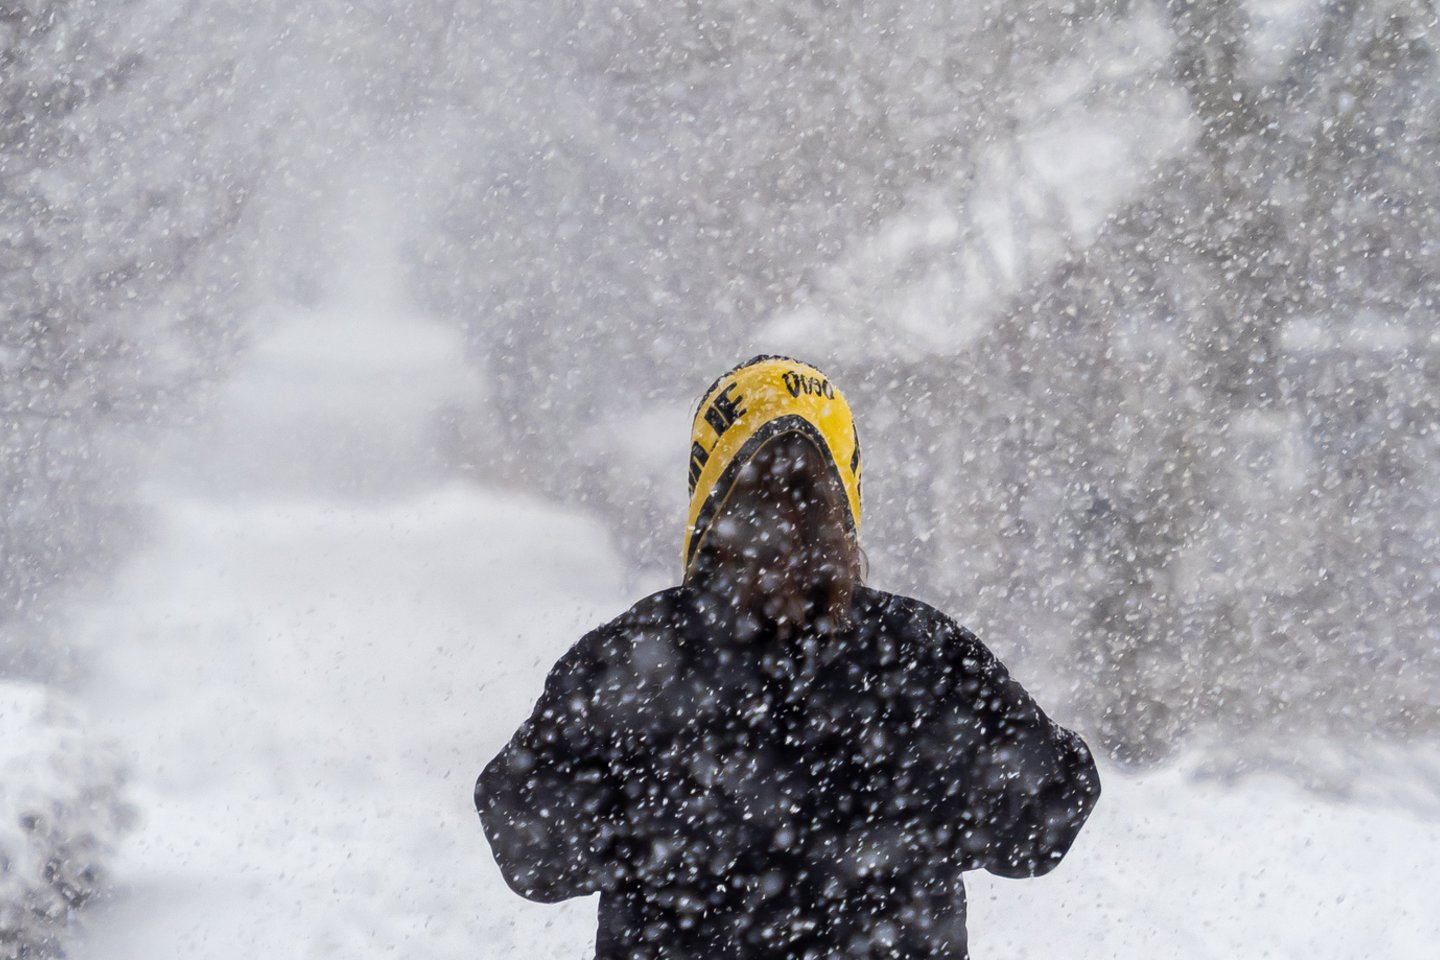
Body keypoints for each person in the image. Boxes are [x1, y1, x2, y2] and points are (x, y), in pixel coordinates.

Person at [475, 356, 1100, 959]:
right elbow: (1049, 814)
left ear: (706, 495)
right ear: (849, 488)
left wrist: (656, 828)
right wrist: (922, 816)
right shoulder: (925, 658)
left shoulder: (633, 661)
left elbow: (530, 850)